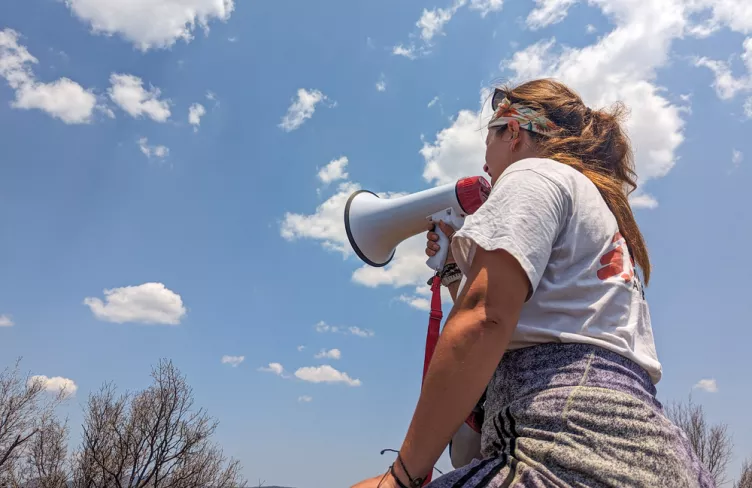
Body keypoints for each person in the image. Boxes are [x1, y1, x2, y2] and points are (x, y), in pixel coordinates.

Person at [352, 78, 715, 488]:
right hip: (646, 454)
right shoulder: (596, 206)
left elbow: (483, 319)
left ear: (512, 130)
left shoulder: (534, 172)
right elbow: (519, 325)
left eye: (488, 136)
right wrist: (455, 267)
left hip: (567, 451)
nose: (485, 160)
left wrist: (401, 477)